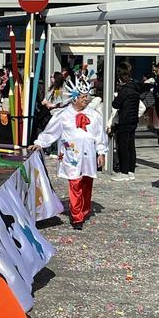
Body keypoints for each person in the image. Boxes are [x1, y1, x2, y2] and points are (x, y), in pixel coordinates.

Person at [31, 89, 109, 230]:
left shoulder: (94, 115)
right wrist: (39, 143)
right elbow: (51, 131)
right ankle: (76, 216)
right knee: (75, 183)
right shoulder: (64, 115)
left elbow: (100, 134)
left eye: (87, 96)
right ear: (74, 99)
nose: (86, 99)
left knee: (86, 183)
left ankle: (84, 210)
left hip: (88, 156)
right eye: (83, 97)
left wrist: (101, 152)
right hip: (71, 155)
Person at [110, 66, 141, 178]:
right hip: (133, 120)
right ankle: (131, 170)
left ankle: (124, 172)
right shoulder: (135, 88)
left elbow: (115, 104)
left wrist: (116, 96)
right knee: (131, 146)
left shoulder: (124, 90)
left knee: (123, 146)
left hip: (125, 120)